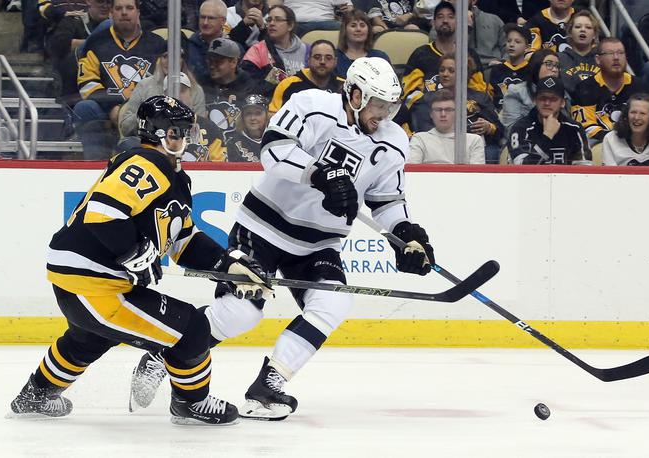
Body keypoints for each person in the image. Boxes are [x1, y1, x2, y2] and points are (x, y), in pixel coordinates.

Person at [129, 57, 436, 421]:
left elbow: (387, 201)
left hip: (319, 244)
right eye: (378, 105)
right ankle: (167, 351)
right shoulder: (312, 105)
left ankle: (268, 386)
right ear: (355, 94)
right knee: (242, 312)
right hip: (261, 227)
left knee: (332, 304)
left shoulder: (394, 140)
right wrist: (319, 174)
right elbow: (273, 150)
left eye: (390, 107)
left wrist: (405, 235)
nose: (384, 115)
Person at [7, 95, 272, 425]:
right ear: (162, 134)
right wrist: (134, 251)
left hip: (86, 281)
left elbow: (183, 242)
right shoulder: (147, 163)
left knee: (88, 340)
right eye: (179, 132)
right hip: (95, 284)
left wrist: (228, 263)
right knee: (191, 330)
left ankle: (35, 396)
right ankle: (191, 402)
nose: (187, 139)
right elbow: (102, 211)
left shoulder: (174, 176)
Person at [74, 0, 167, 159]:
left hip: (145, 112)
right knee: (84, 108)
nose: (124, 12)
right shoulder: (95, 43)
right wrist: (113, 107)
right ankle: (96, 163)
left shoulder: (157, 44)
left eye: (129, 8)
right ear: (111, 13)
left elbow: (163, 82)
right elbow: (87, 84)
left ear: (138, 12)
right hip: (106, 110)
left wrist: (131, 110)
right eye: (119, 8)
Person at [407, 53, 503, 162]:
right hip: (437, 147)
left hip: (473, 147)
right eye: (442, 70)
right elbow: (422, 128)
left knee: (491, 152)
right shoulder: (427, 100)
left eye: (451, 71)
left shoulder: (480, 98)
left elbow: (499, 130)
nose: (445, 74)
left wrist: (489, 127)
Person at [402, 1, 488, 101]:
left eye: (451, 17)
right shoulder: (420, 54)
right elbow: (410, 94)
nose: (445, 20)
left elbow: (480, 93)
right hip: (428, 112)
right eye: (440, 17)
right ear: (433, 23)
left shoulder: (469, 55)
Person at [571, 37, 645, 146]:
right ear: (598, 59)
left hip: (637, 145)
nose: (616, 58)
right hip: (600, 145)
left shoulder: (641, 87)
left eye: (620, 53)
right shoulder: (584, 88)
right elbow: (586, 128)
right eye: (610, 53)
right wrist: (618, 141)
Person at [119, 50, 206, 137]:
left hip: (183, 144)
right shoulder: (144, 86)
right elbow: (125, 128)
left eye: (174, 57)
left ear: (183, 60)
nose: (169, 62)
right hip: (147, 143)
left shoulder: (196, 90)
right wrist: (145, 114)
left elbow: (202, 130)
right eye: (165, 56)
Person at [508, 76, 589, 164]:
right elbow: (521, 169)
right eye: (542, 98)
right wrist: (547, 136)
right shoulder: (520, 128)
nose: (547, 103)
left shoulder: (574, 129)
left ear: (562, 103)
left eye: (553, 99)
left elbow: (584, 170)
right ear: (535, 100)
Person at [46, 0, 111, 103]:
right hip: (74, 86)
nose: (105, 6)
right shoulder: (73, 20)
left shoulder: (117, 25)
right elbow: (58, 45)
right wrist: (94, 43)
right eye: (100, 1)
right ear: (89, 1)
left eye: (109, 2)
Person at [242, 4, 310, 97]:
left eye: (278, 19)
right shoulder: (257, 50)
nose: (272, 23)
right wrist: (274, 78)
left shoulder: (307, 51)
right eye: (269, 20)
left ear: (290, 25)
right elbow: (248, 87)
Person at [408, 89, 485, 164]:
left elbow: (477, 175)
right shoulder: (419, 139)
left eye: (448, 110)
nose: (443, 114)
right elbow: (411, 172)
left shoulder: (474, 141)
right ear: (431, 114)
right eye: (438, 110)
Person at [268, 39, 343, 114]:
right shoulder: (287, 85)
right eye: (317, 57)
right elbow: (273, 116)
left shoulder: (344, 86)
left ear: (335, 61)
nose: (322, 61)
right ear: (309, 60)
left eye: (328, 58)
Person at [203, 37, 258, 138]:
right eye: (210, 61)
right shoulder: (202, 82)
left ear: (233, 62)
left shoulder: (248, 87)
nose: (212, 66)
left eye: (218, 62)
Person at [602, 93, 649, 166]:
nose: (636, 117)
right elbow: (610, 177)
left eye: (642, 113)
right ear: (626, 115)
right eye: (633, 112)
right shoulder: (610, 139)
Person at [500, 48, 564, 130]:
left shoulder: (562, 93)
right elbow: (510, 129)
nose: (554, 70)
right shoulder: (516, 92)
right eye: (549, 64)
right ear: (536, 65)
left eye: (557, 66)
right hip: (526, 139)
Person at [335, 8, 391, 78]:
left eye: (362, 25)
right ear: (345, 30)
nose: (358, 29)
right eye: (353, 25)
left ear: (368, 30)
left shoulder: (380, 57)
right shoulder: (334, 57)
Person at [488, 23, 531, 109]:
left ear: (527, 47)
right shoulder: (497, 69)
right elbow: (489, 97)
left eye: (517, 42)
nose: (511, 44)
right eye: (509, 41)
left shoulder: (531, 70)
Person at [187, 0, 230, 86]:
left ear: (223, 21)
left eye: (211, 18)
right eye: (202, 17)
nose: (205, 22)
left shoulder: (233, 49)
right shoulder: (187, 46)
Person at [558, 9, 600, 94]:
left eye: (588, 27)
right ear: (570, 32)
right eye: (578, 26)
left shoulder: (602, 60)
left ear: (594, 35)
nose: (583, 30)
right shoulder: (558, 58)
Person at [225, 93, 269, 161]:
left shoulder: (276, 139)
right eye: (248, 113)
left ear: (266, 116)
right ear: (242, 117)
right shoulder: (233, 143)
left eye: (258, 113)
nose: (253, 118)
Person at [286, 0, 354, 37]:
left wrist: (347, 11)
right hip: (296, 23)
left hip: (326, 23)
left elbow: (350, 8)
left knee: (349, 28)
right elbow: (275, 5)